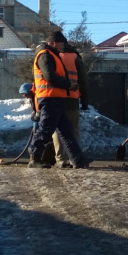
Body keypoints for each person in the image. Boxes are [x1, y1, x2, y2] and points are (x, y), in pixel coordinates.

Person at [28, 33, 89, 169]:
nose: (62, 46)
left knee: (66, 131)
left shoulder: (51, 54)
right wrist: (68, 85)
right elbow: (50, 77)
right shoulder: (45, 55)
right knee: (45, 130)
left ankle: (78, 160)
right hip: (49, 98)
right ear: (54, 43)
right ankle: (35, 158)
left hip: (56, 98)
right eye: (61, 43)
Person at [49, 32, 89, 169]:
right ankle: (75, 159)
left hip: (54, 97)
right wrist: (84, 100)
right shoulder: (74, 57)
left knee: (57, 130)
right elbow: (83, 81)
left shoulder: (51, 56)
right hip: (72, 98)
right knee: (73, 129)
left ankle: (61, 160)